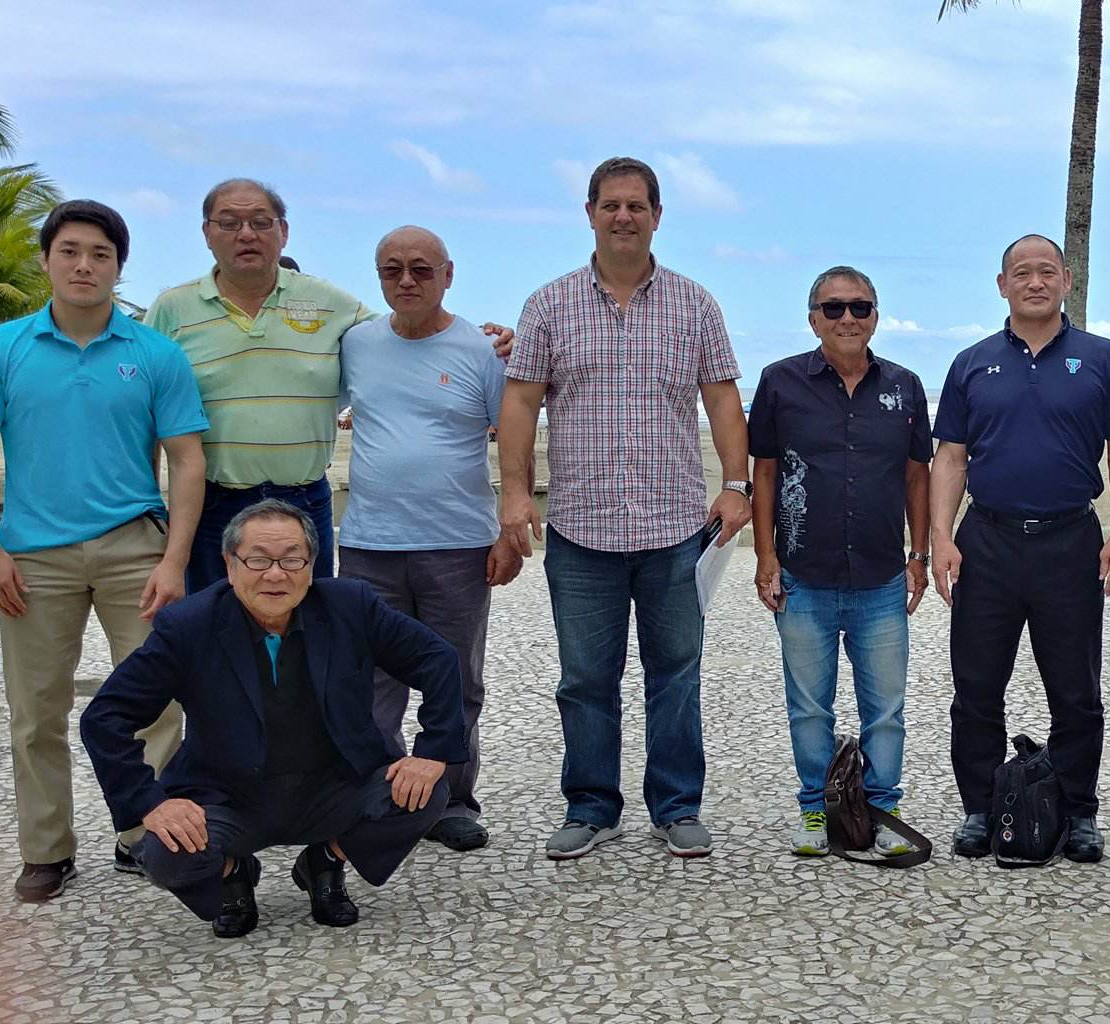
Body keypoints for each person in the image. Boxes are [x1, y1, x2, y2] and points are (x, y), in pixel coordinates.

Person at [0, 200, 208, 902]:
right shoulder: (0, 349)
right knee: (36, 710)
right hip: (32, 556)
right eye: (70, 251)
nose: (84, 265)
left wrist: (174, 560)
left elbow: (187, 459)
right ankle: (47, 850)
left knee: (156, 704)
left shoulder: (155, 353)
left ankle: (145, 835)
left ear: (119, 267)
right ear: (46, 260)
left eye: (100, 254)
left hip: (135, 549)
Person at [499, 156, 752, 860]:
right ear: (590, 213)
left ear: (656, 217)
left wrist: (737, 485)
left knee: (676, 675)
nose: (623, 217)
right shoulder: (549, 305)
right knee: (585, 680)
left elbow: (722, 399)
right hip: (580, 531)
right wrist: (514, 491)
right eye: (610, 205)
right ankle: (590, 807)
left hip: (674, 529)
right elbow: (519, 401)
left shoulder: (695, 305)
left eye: (636, 206)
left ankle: (676, 806)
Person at [80, 500, 467, 939]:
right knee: (163, 852)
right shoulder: (188, 626)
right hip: (229, 797)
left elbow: (436, 659)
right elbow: (105, 717)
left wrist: (432, 750)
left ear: (311, 565)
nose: (276, 575)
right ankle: (232, 872)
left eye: (292, 560)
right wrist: (150, 802)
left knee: (425, 791)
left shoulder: (350, 606)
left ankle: (326, 860)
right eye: (258, 560)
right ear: (230, 565)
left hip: (336, 787)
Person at [143, 179, 513, 591]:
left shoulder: (329, 303)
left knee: (308, 625)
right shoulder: (172, 310)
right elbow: (144, 414)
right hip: (211, 504)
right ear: (207, 233)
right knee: (210, 624)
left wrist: (485, 340)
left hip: (303, 500)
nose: (246, 234)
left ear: (284, 231)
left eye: (261, 222)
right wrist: (152, 517)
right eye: (229, 223)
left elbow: (407, 332)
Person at [930, 233, 1110, 864]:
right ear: (1002, 285)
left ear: (1066, 281)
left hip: (1070, 541)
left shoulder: (1103, 359)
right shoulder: (971, 363)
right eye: (1021, 273)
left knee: (1076, 690)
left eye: (1046, 271)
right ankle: (980, 808)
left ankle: (1079, 812)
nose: (1034, 282)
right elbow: (951, 457)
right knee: (976, 686)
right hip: (987, 541)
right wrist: (941, 536)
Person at [335, 225, 520, 854]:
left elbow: (513, 438)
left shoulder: (483, 351)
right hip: (369, 543)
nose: (407, 280)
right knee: (371, 681)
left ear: (448, 274)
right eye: (392, 270)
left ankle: (451, 801)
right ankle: (379, 799)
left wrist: (509, 530)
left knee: (456, 681)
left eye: (421, 268)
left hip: (458, 544)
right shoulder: (356, 344)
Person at [748, 266, 931, 856]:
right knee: (808, 707)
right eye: (833, 308)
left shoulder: (905, 387)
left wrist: (920, 554)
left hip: (881, 578)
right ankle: (815, 809)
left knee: (887, 711)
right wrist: (766, 557)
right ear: (813, 319)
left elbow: (917, 476)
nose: (847, 318)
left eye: (859, 307)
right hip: (804, 576)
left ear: (875, 316)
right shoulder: (779, 383)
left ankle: (882, 809)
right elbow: (764, 473)